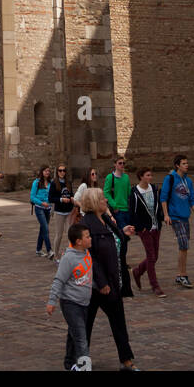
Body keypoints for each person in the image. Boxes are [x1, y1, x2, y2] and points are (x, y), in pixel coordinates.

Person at [78, 188, 139, 371]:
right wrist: (102, 282)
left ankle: (126, 361)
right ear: (95, 203)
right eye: (103, 198)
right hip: (96, 286)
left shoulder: (104, 219)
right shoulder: (86, 224)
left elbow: (114, 243)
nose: (106, 200)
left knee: (119, 322)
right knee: (84, 325)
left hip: (113, 281)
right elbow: (90, 256)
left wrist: (123, 233)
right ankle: (79, 360)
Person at [46, 221, 94, 371]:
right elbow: (59, 280)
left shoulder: (86, 252)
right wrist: (52, 301)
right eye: (87, 236)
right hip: (70, 303)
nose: (90, 238)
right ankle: (84, 367)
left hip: (84, 302)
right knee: (81, 337)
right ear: (79, 241)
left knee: (74, 333)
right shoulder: (68, 259)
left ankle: (69, 363)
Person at [161, 154, 194, 288]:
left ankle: (179, 275)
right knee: (183, 244)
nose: (187, 165)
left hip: (185, 217)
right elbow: (163, 198)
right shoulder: (170, 179)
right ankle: (183, 275)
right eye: (184, 163)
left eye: (187, 163)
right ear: (177, 165)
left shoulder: (188, 181)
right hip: (175, 217)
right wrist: (166, 215)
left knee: (183, 248)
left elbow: (192, 200)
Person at [129, 167, 165, 297]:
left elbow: (159, 205)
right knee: (151, 256)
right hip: (144, 230)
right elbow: (132, 213)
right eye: (148, 175)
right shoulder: (134, 192)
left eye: (151, 175)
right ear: (141, 177)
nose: (151, 177)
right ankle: (155, 286)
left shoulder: (154, 189)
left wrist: (162, 218)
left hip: (156, 227)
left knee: (155, 256)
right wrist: (140, 228)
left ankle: (137, 271)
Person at [103, 156, 133, 298]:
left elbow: (128, 192)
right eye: (120, 163)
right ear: (115, 164)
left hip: (126, 209)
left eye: (123, 163)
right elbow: (106, 192)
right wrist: (114, 205)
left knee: (126, 237)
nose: (122, 165)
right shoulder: (111, 177)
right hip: (117, 210)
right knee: (122, 236)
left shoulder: (126, 177)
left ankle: (122, 259)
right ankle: (121, 260)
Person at [49, 164, 74, 259]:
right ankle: (56, 254)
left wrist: (71, 199)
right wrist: (61, 199)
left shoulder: (68, 182)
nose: (62, 172)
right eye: (60, 170)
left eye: (64, 170)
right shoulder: (54, 183)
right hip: (59, 211)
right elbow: (50, 198)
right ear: (57, 172)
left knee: (70, 234)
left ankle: (71, 254)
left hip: (68, 211)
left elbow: (71, 194)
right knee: (59, 234)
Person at [30, 164, 54, 257]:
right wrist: (41, 203)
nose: (47, 172)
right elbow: (32, 197)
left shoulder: (51, 182)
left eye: (48, 171)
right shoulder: (36, 182)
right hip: (39, 208)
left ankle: (38, 249)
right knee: (45, 228)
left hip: (48, 209)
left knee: (43, 229)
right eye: (45, 171)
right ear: (42, 172)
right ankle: (49, 250)